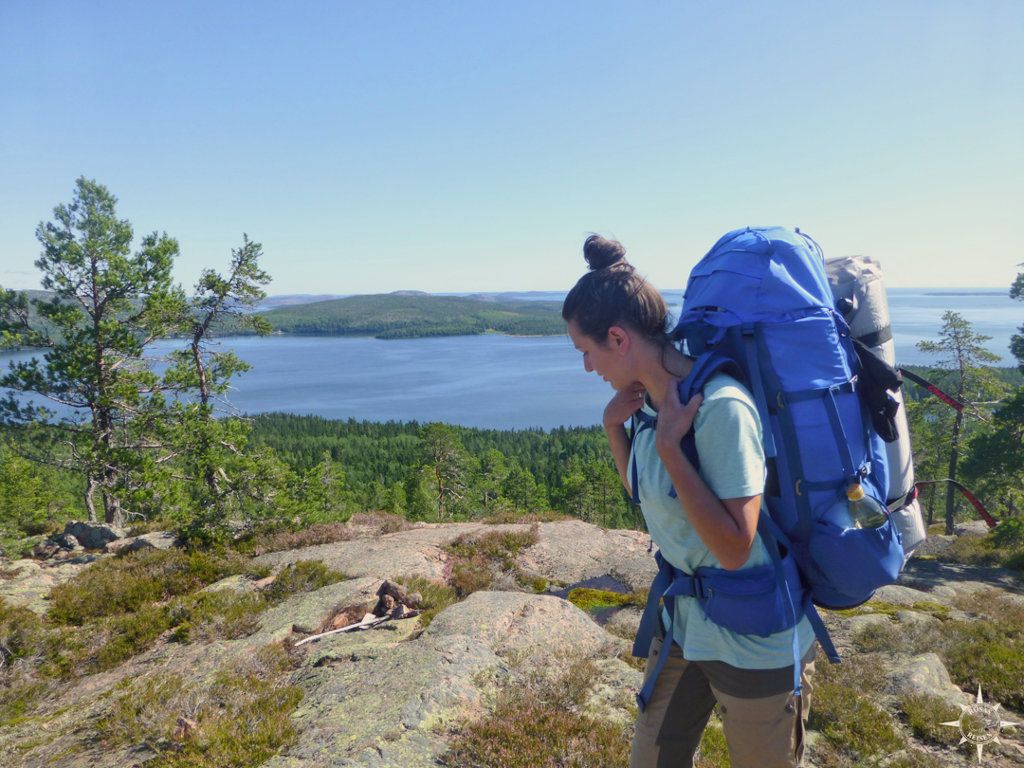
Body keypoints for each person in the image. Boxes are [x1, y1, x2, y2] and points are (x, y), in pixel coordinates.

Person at [562, 234, 817, 768]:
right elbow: (648, 495)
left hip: (754, 633)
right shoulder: (647, 404)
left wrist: (672, 448)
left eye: (587, 352)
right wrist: (616, 430)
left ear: (617, 337)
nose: (588, 367)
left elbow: (732, 546)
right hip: (685, 623)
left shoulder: (719, 406)